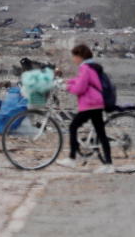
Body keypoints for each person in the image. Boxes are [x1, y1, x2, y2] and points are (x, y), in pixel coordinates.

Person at [56, 44, 114, 174]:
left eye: (75, 56)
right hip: (96, 102)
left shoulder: (85, 68)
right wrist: (67, 82)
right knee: (101, 134)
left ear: (80, 56)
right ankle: (109, 164)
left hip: (91, 104)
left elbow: (80, 88)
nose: (73, 59)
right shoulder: (90, 66)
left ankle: (72, 158)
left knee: (73, 126)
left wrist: (66, 87)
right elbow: (80, 81)